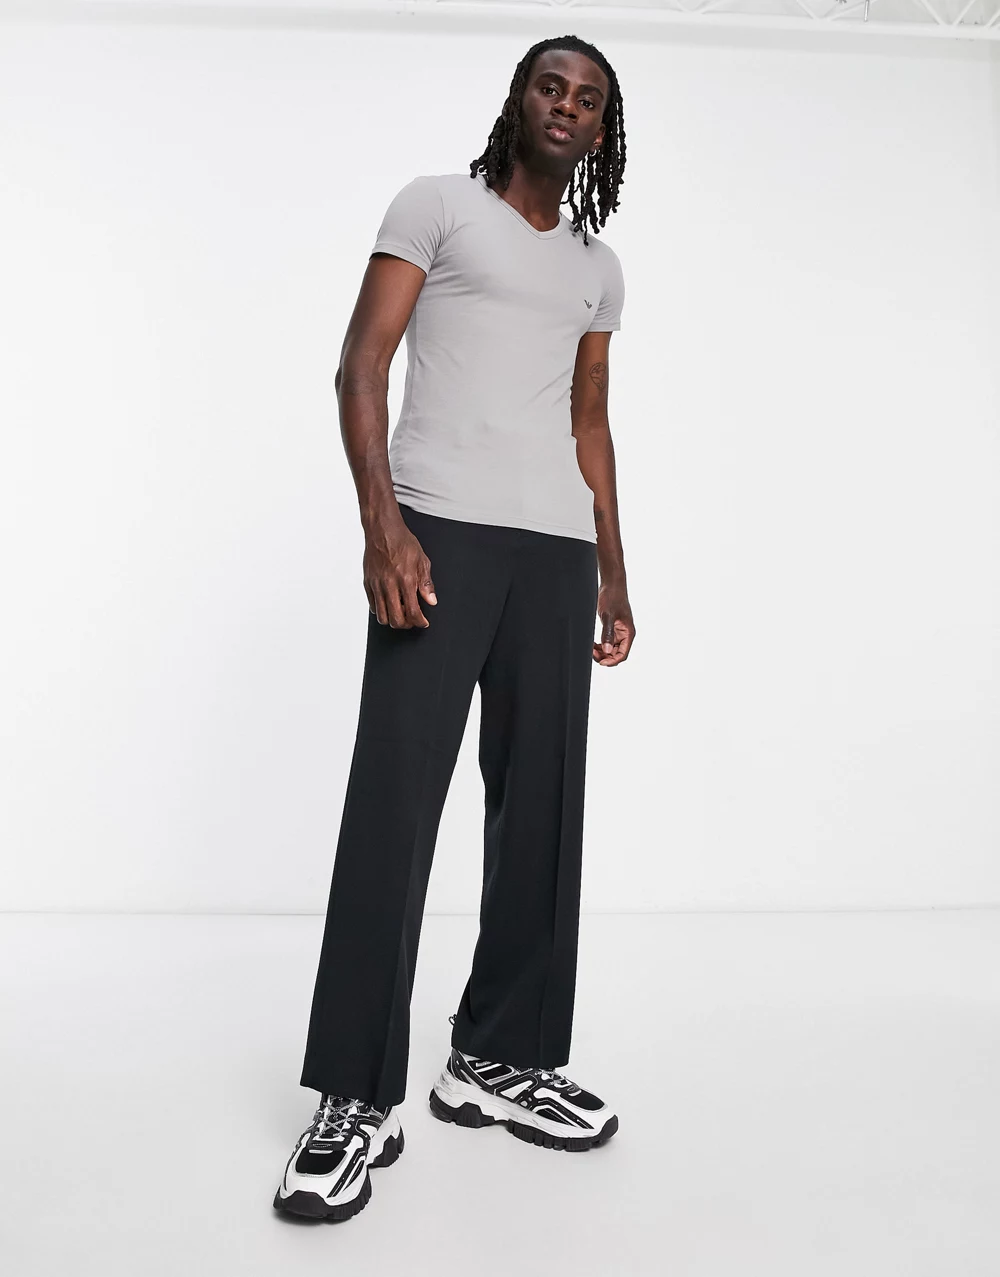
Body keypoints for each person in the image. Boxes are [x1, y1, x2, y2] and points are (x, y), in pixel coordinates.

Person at [273, 33, 635, 1223]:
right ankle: (351, 1093)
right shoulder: (435, 206)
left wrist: (612, 569)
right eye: (550, 85)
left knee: (541, 810)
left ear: (602, 127)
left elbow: (590, 418)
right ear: (518, 98)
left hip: (555, 549)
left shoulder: (597, 268)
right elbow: (359, 366)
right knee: (394, 804)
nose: (566, 106)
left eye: (587, 98)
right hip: (439, 530)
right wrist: (383, 527)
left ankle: (497, 1055)